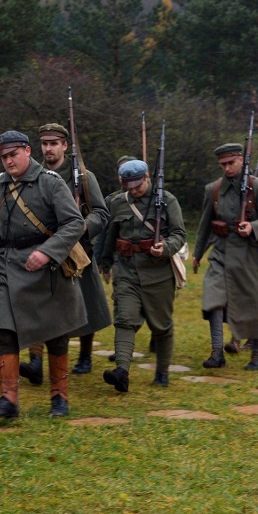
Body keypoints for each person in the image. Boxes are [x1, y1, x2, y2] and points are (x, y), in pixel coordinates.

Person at [0, 130, 87, 418]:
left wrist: (47, 252)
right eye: (4, 157)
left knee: (56, 333)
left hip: (48, 267)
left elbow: (74, 223)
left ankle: (59, 397)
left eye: (13, 155)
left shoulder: (50, 183)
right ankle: (8, 400)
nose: (8, 162)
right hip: (7, 265)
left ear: (28, 151)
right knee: (4, 331)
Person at [19, 123, 111, 380]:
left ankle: (85, 356)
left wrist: (82, 226)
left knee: (84, 303)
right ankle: (35, 362)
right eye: (45, 144)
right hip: (44, 249)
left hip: (77, 251)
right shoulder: (33, 175)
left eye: (54, 143)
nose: (48, 149)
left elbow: (102, 214)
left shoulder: (83, 177)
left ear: (65, 146)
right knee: (38, 303)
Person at [192, 143, 258, 371]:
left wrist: (252, 227)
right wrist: (197, 253)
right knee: (213, 299)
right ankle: (216, 353)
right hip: (221, 251)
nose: (227, 168)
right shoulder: (213, 189)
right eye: (222, 164)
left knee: (254, 304)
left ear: (241, 160)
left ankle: (257, 358)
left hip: (250, 254)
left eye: (230, 163)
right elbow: (204, 225)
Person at [99, 159, 186, 391]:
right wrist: (105, 263)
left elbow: (179, 234)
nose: (133, 190)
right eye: (129, 186)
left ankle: (162, 373)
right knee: (124, 320)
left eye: (137, 185)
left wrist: (166, 248)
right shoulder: (118, 203)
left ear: (147, 177)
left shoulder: (167, 201)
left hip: (158, 273)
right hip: (126, 271)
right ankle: (122, 373)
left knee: (162, 326)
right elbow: (110, 235)